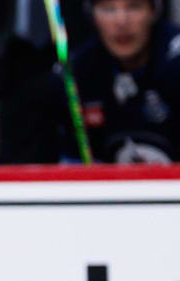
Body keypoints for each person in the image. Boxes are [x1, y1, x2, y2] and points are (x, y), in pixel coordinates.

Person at [43, 0, 180, 163]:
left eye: (134, 6)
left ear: (153, 12)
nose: (121, 21)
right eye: (108, 9)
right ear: (92, 15)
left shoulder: (174, 62)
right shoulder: (73, 77)